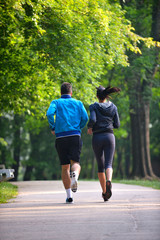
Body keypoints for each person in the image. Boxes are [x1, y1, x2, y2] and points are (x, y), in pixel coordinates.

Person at [46, 82, 88, 204]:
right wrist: (78, 127)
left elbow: (49, 113)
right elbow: (85, 118)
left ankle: (69, 196)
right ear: (71, 92)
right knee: (75, 162)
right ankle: (75, 174)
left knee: (65, 167)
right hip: (74, 135)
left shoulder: (56, 102)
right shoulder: (78, 103)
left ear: (60, 92)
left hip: (60, 137)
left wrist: (53, 127)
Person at [87, 86, 120, 201]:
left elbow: (93, 119)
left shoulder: (93, 106)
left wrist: (89, 127)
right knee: (108, 164)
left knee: (100, 166)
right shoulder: (113, 107)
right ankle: (109, 181)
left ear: (97, 96)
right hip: (110, 136)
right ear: (107, 96)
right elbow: (117, 124)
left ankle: (105, 193)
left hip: (97, 137)